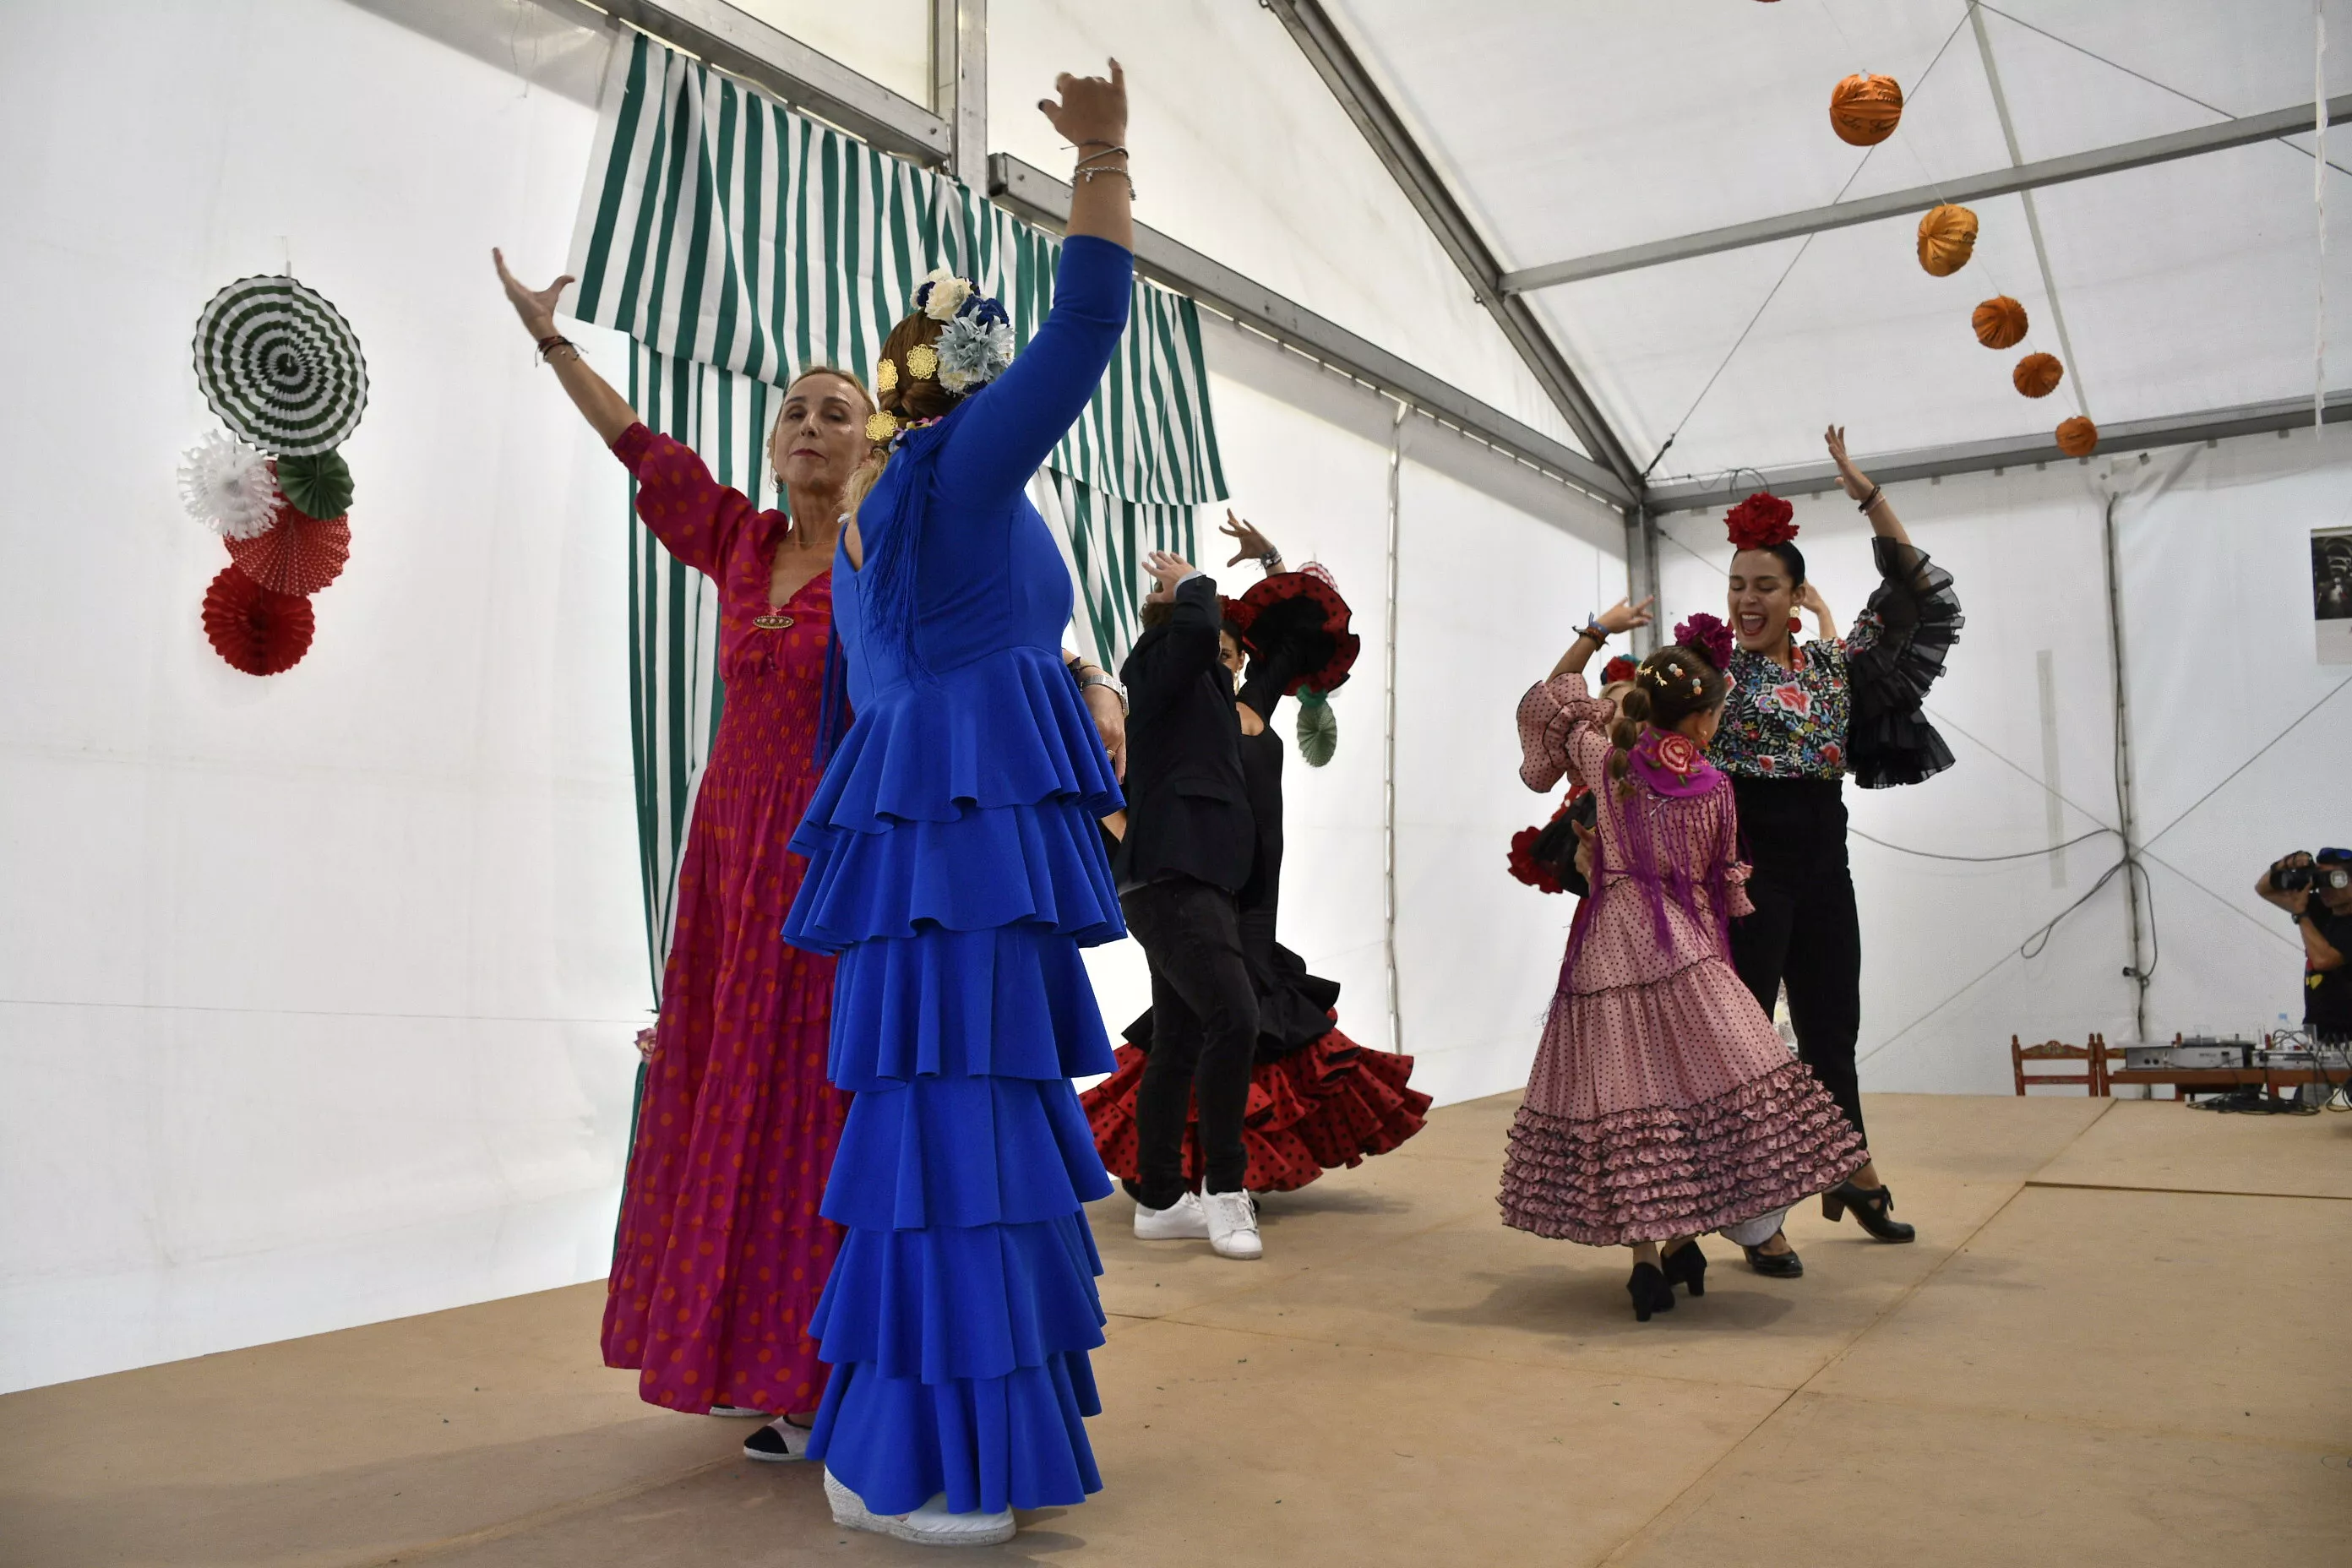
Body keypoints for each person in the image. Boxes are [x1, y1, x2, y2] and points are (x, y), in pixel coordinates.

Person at [777, 61, 1135, 1549]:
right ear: (959, 382)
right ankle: (937, 1459)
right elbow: (1093, 327)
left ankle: (889, 1443)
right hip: (964, 845)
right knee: (964, 1136)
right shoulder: (958, 474)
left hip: (919, 837)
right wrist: (1104, 160)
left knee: (932, 1135)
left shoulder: (874, 518)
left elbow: (918, 671)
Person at [491, 248, 871, 1451]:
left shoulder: (880, 560)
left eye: (836, 411)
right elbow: (643, 452)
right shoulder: (740, 543)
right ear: (773, 445)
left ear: (872, 446)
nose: (810, 424)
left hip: (830, 857)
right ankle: (751, 1351)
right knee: (732, 1095)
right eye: (795, 411)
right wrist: (556, 344)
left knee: (816, 1102)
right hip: (725, 857)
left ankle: (831, 1370)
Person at [1500, 601, 1865, 1319]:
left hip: (1608, 945)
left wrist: (1595, 631)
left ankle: (1651, 1257)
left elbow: (1554, 700)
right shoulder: (1716, 789)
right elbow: (1721, 888)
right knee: (1704, 1082)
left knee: (1628, 1093)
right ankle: (1698, 1238)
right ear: (1702, 722)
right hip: (1683, 946)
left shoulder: (1608, 766)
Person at [1084, 520, 1427, 1198]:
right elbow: (1109, 791)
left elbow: (1300, 633)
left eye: (1233, 650)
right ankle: (1208, 1183)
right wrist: (1138, 842)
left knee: (1233, 1023)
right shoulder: (1168, 701)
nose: (1226, 657)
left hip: (1249, 889)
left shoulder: (1248, 709)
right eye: (1214, 644)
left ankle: (1201, 1180)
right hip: (1183, 881)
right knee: (1217, 1020)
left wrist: (1270, 562)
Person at [1708, 425, 1963, 1259]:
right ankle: (1755, 1214)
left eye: (1764, 585)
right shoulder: (1709, 674)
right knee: (1745, 1038)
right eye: (1737, 583)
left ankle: (1849, 1170)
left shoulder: (1834, 667)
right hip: (1745, 869)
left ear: (1794, 591)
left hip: (1825, 860)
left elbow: (1915, 595)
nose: (1747, 599)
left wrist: (1867, 493)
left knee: (1831, 1030)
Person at [1112, 547, 1266, 1258]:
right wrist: (1194, 586)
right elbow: (1200, 634)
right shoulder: (1154, 665)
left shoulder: (1206, 690)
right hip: (1171, 878)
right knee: (1235, 1017)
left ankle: (1162, 1198)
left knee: (1179, 1039)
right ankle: (1227, 1192)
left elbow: (1243, 650)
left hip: (1197, 877)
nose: (1230, 656)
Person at [2256, 849, 2352, 1042]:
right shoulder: (2321, 909)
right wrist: (2288, 863)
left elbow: (2324, 960)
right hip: (2319, 1034)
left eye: (2332, 880)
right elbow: (2264, 888)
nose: (2326, 889)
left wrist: (2300, 915)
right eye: (2320, 881)